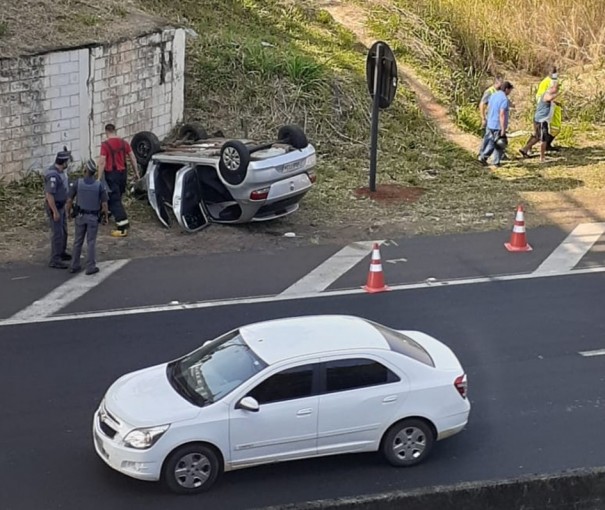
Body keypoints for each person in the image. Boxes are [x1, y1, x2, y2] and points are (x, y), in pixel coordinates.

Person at [66, 160, 109, 275]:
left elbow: (69, 201)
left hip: (80, 216)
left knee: (77, 241)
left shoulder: (77, 183)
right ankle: (90, 266)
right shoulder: (99, 185)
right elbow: (104, 205)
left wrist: (68, 213)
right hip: (93, 217)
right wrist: (105, 217)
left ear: (85, 170)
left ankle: (74, 265)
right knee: (91, 242)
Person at [97, 123, 140, 237]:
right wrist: (136, 172)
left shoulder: (105, 145)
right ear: (115, 131)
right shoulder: (123, 143)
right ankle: (109, 214)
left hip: (111, 174)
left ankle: (122, 225)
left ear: (106, 132)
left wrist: (98, 177)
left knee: (113, 199)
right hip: (123, 174)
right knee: (118, 196)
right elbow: (132, 157)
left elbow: (102, 161)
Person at [519, 81, 560, 163]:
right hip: (541, 120)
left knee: (537, 137)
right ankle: (542, 158)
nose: (558, 89)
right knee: (543, 139)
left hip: (541, 120)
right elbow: (549, 98)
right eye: (557, 88)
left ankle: (525, 149)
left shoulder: (548, 94)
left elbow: (549, 101)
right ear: (552, 88)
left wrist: (556, 103)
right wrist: (558, 94)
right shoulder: (547, 94)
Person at [44, 150, 72, 269]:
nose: (68, 164)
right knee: (57, 233)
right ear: (63, 162)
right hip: (55, 207)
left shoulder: (61, 172)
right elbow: (49, 195)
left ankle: (61, 252)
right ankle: (55, 259)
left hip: (61, 206)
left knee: (64, 231)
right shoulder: (53, 175)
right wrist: (55, 211)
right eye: (67, 161)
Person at [478, 81, 514, 167]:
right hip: (498, 125)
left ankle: (486, 157)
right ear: (506, 89)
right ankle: (492, 160)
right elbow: (502, 114)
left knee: (491, 142)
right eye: (510, 90)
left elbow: (489, 107)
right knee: (499, 143)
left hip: (490, 122)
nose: (510, 92)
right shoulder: (504, 99)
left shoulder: (493, 95)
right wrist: (503, 129)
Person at [478, 76, 503, 156]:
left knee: (495, 137)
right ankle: (482, 154)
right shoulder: (489, 91)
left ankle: (499, 155)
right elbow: (482, 104)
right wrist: (483, 118)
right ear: (496, 83)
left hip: (497, 118)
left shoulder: (498, 91)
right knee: (488, 137)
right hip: (490, 118)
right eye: (500, 84)